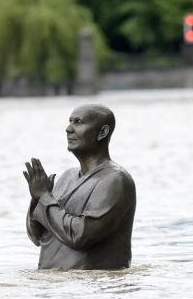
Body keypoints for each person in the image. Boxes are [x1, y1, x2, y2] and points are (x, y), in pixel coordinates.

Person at [23, 104, 136, 270]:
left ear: (102, 132)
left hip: (92, 288)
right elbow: (38, 237)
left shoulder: (115, 180)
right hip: (54, 287)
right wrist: (37, 199)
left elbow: (79, 236)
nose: (68, 129)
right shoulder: (66, 177)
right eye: (70, 122)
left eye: (78, 122)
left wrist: (45, 198)